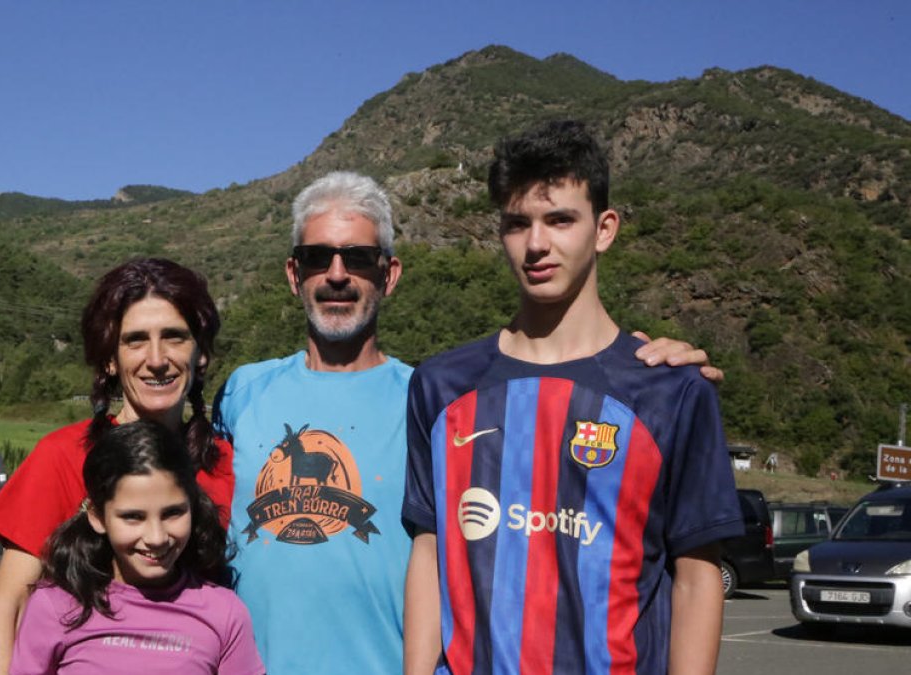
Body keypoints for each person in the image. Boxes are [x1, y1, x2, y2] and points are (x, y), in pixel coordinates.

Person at [213, 171, 720, 675]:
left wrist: (646, 376)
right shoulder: (240, 393)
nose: (338, 274)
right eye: (317, 257)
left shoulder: (432, 397)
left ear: (389, 275)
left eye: (360, 258)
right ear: (292, 273)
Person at [402, 121, 743, 675]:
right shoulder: (441, 385)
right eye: (518, 223)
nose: (537, 244)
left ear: (604, 228)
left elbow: (697, 577)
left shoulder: (673, 389)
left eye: (560, 219)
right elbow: (429, 550)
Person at [0, 258, 234, 675]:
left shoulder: (226, 464)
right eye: (135, 340)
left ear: (200, 353)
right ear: (110, 360)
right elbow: (8, 610)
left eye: (174, 337)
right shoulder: (62, 455)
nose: (157, 359)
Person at [9, 420, 264, 675]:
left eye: (172, 513)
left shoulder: (225, 613)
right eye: (133, 517)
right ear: (98, 517)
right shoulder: (56, 606)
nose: (156, 537)